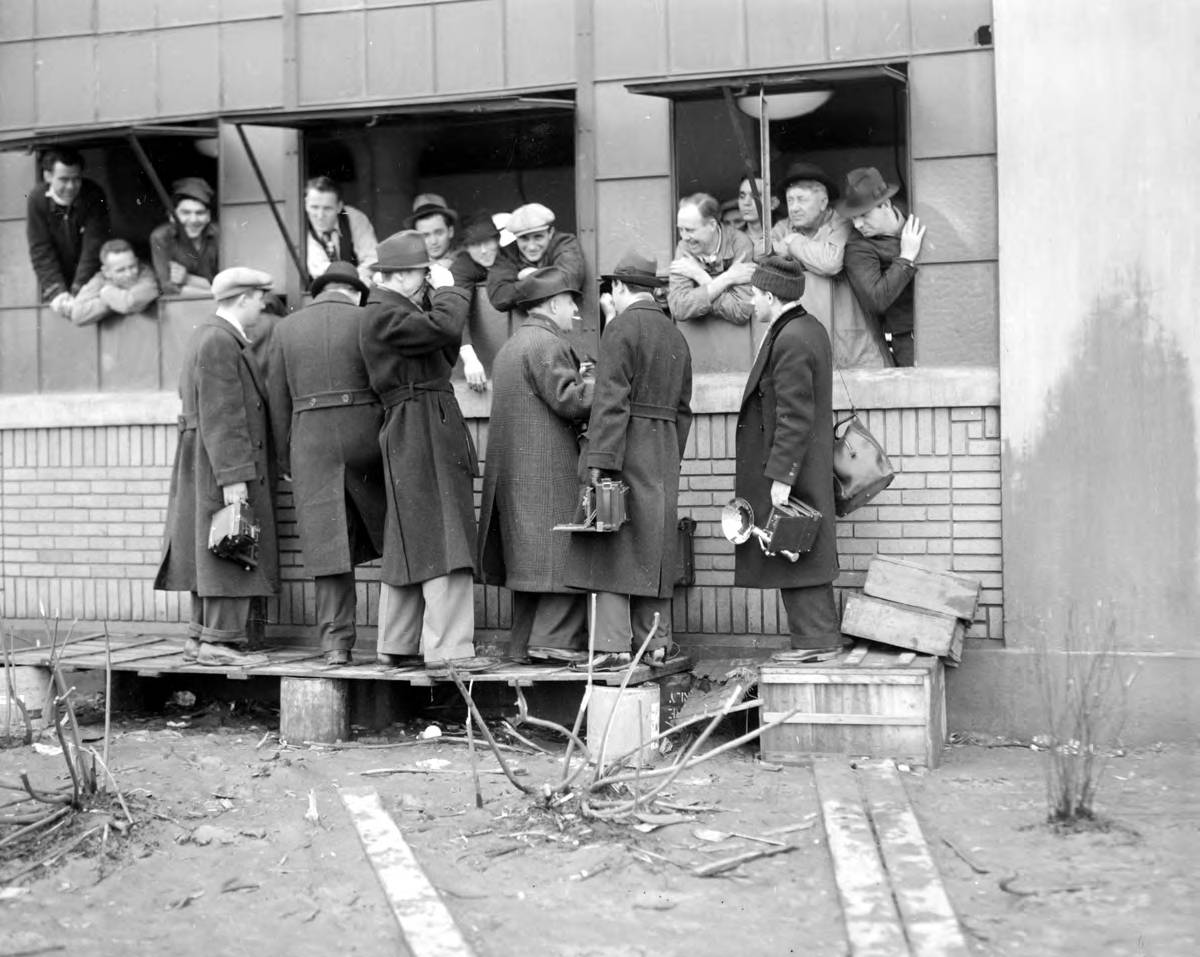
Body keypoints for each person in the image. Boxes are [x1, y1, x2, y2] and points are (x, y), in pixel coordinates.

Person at [359, 231, 492, 672]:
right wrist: (451, 287)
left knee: (411, 532)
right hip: (423, 423)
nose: (427, 277)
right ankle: (449, 647)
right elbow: (446, 327)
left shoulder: (389, 310)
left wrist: (437, 296)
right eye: (421, 271)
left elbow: (442, 342)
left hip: (413, 423)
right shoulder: (385, 312)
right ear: (401, 275)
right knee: (446, 529)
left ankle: (397, 642)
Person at [564, 251, 692, 670]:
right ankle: (655, 645)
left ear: (619, 288)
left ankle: (613, 649)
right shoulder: (675, 335)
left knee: (610, 545)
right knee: (653, 547)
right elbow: (685, 408)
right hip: (663, 448)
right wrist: (671, 451)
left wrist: (598, 461)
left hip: (622, 448)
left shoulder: (620, 328)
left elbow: (610, 400)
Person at [154, 267, 280, 667]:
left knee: (211, 547)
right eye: (260, 296)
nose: (263, 305)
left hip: (204, 460)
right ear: (243, 297)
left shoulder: (207, 336)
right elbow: (224, 415)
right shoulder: (220, 341)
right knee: (230, 546)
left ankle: (199, 637)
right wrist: (234, 479)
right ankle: (219, 642)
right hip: (218, 463)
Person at [266, 262, 387, 666]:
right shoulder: (366, 318)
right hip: (367, 437)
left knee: (329, 546)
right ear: (355, 291)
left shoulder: (285, 329)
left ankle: (336, 644)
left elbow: (277, 402)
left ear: (319, 292)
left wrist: (287, 458)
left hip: (311, 443)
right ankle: (402, 639)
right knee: (396, 536)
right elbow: (386, 382)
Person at [478, 267, 594, 664]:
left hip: (517, 471)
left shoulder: (511, 346)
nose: (575, 309)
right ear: (553, 304)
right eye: (570, 301)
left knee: (529, 561)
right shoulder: (547, 344)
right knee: (560, 552)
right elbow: (573, 402)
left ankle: (523, 644)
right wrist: (602, 384)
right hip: (549, 469)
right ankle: (556, 641)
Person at [733, 257, 841, 661]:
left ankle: (817, 642)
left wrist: (782, 476)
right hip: (801, 463)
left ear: (771, 296)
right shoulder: (804, 328)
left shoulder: (791, 337)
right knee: (794, 546)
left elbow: (794, 415)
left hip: (792, 467)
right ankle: (814, 639)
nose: (750, 303)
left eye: (755, 294)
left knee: (794, 544)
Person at [838, 167, 926, 367]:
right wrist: (906, 258)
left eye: (864, 214)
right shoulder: (858, 247)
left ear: (885, 204)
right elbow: (876, 299)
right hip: (906, 338)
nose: (858, 224)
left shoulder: (916, 214)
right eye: (853, 217)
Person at [26, 147, 111, 317]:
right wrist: (57, 292)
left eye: (76, 179)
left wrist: (78, 288)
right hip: (59, 277)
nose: (71, 186)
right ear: (48, 176)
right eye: (64, 180)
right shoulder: (37, 199)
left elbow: (93, 246)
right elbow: (40, 249)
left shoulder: (93, 194)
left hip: (90, 275)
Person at [667, 193, 756, 325]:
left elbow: (741, 310)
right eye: (681, 230)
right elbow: (679, 308)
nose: (684, 237)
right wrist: (727, 279)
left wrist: (701, 277)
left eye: (690, 230)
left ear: (712, 225)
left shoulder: (740, 243)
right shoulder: (684, 247)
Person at [486, 202, 586, 313]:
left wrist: (529, 276)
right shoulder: (507, 254)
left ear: (551, 232)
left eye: (538, 237)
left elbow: (569, 279)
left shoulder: (564, 242)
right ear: (515, 237)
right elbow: (499, 297)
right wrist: (545, 279)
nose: (531, 247)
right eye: (524, 238)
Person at [150, 177, 220, 297]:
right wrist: (216, 294)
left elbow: (229, 283)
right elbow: (169, 287)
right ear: (172, 216)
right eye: (185, 213)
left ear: (208, 216)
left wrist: (188, 279)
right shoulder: (161, 238)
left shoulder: (219, 234)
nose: (193, 220)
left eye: (200, 213)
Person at [68, 239, 160, 327]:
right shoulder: (100, 279)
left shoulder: (146, 273)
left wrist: (106, 293)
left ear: (136, 261)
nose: (129, 274)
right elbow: (77, 314)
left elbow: (129, 303)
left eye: (132, 266)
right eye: (121, 270)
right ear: (106, 272)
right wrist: (114, 300)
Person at [304, 176, 378, 284]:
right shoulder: (299, 226)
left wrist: (357, 279)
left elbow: (372, 258)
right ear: (306, 204)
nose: (320, 215)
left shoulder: (353, 217)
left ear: (339, 207)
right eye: (314, 207)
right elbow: (320, 269)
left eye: (327, 208)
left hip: (358, 287)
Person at [735, 175, 778, 258]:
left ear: (773, 202)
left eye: (755, 196)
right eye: (742, 196)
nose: (746, 203)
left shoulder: (783, 234)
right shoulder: (732, 240)